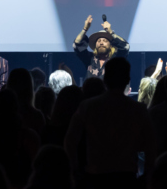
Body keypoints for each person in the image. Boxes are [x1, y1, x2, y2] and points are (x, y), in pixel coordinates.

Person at [65, 57, 155, 189]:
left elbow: (70, 141)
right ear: (127, 80)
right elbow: (151, 146)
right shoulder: (138, 109)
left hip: (94, 176)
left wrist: (75, 170)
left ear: (105, 79)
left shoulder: (87, 106)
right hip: (126, 177)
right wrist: (147, 175)